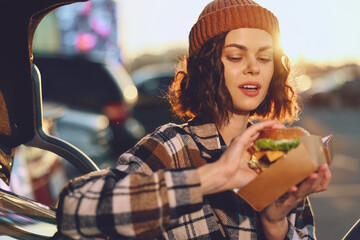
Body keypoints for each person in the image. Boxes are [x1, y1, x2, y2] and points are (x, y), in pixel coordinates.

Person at [55, 0, 331, 239]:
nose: (253, 67)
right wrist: (211, 177)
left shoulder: (280, 152)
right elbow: (75, 208)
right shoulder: (171, 147)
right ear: (206, 67)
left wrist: (275, 223)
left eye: (264, 57)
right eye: (235, 56)